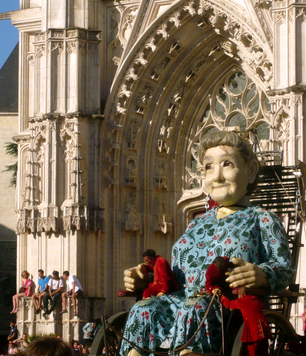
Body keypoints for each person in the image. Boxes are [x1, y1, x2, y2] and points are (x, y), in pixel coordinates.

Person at [120, 131, 293, 356]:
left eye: (227, 164)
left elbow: (283, 267)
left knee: (195, 308)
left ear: (250, 171)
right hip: (179, 301)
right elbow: (178, 274)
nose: (217, 176)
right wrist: (147, 277)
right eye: (209, 167)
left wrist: (263, 273)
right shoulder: (196, 223)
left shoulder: (262, 219)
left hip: (224, 308)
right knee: (145, 309)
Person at [221, 286, 271, 356]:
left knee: (253, 352)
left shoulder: (241, 301)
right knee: (263, 352)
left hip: (254, 332)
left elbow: (228, 304)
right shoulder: (256, 299)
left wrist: (222, 297)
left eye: (239, 295)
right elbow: (262, 306)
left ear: (242, 295)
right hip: (264, 329)